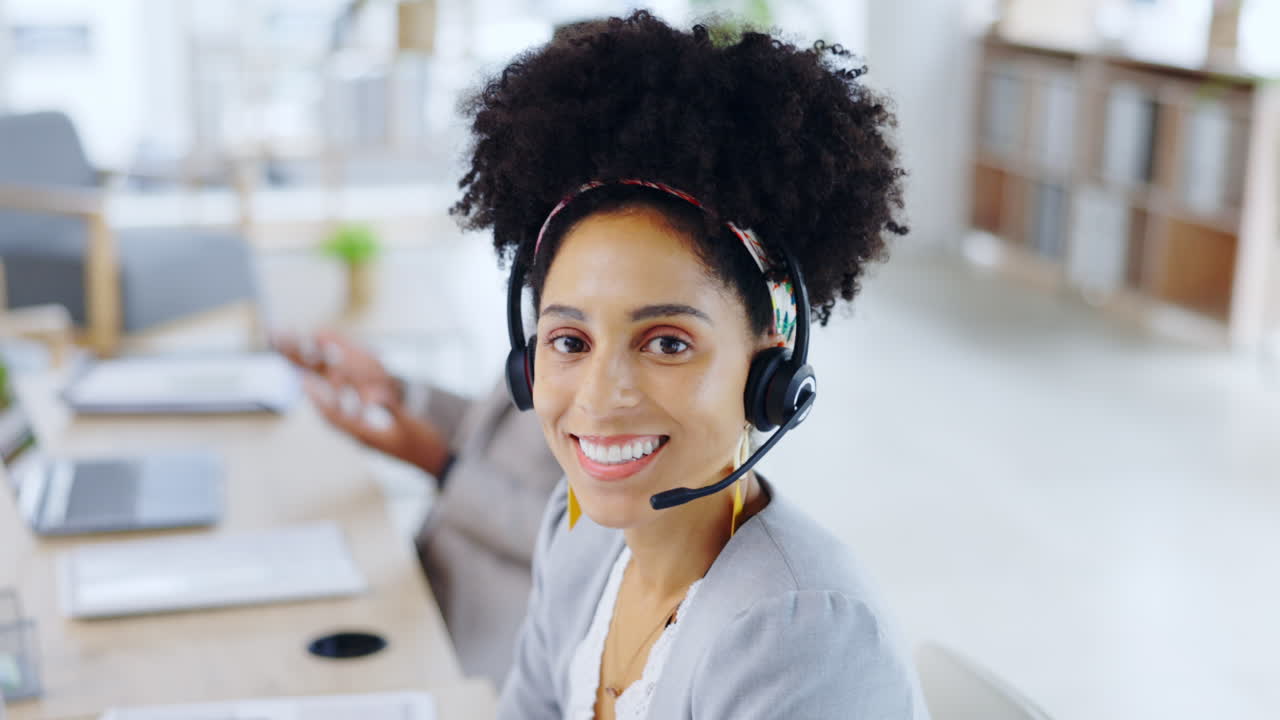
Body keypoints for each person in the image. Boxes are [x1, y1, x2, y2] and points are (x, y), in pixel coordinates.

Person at [450, 11, 928, 719]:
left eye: (667, 343)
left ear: (769, 376)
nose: (601, 397)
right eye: (570, 342)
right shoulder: (578, 536)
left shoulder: (801, 636)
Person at [273, 331, 562, 685]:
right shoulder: (544, 325)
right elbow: (489, 431)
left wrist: (441, 466)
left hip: (489, 639)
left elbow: (565, 534)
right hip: (429, 586)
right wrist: (394, 390)